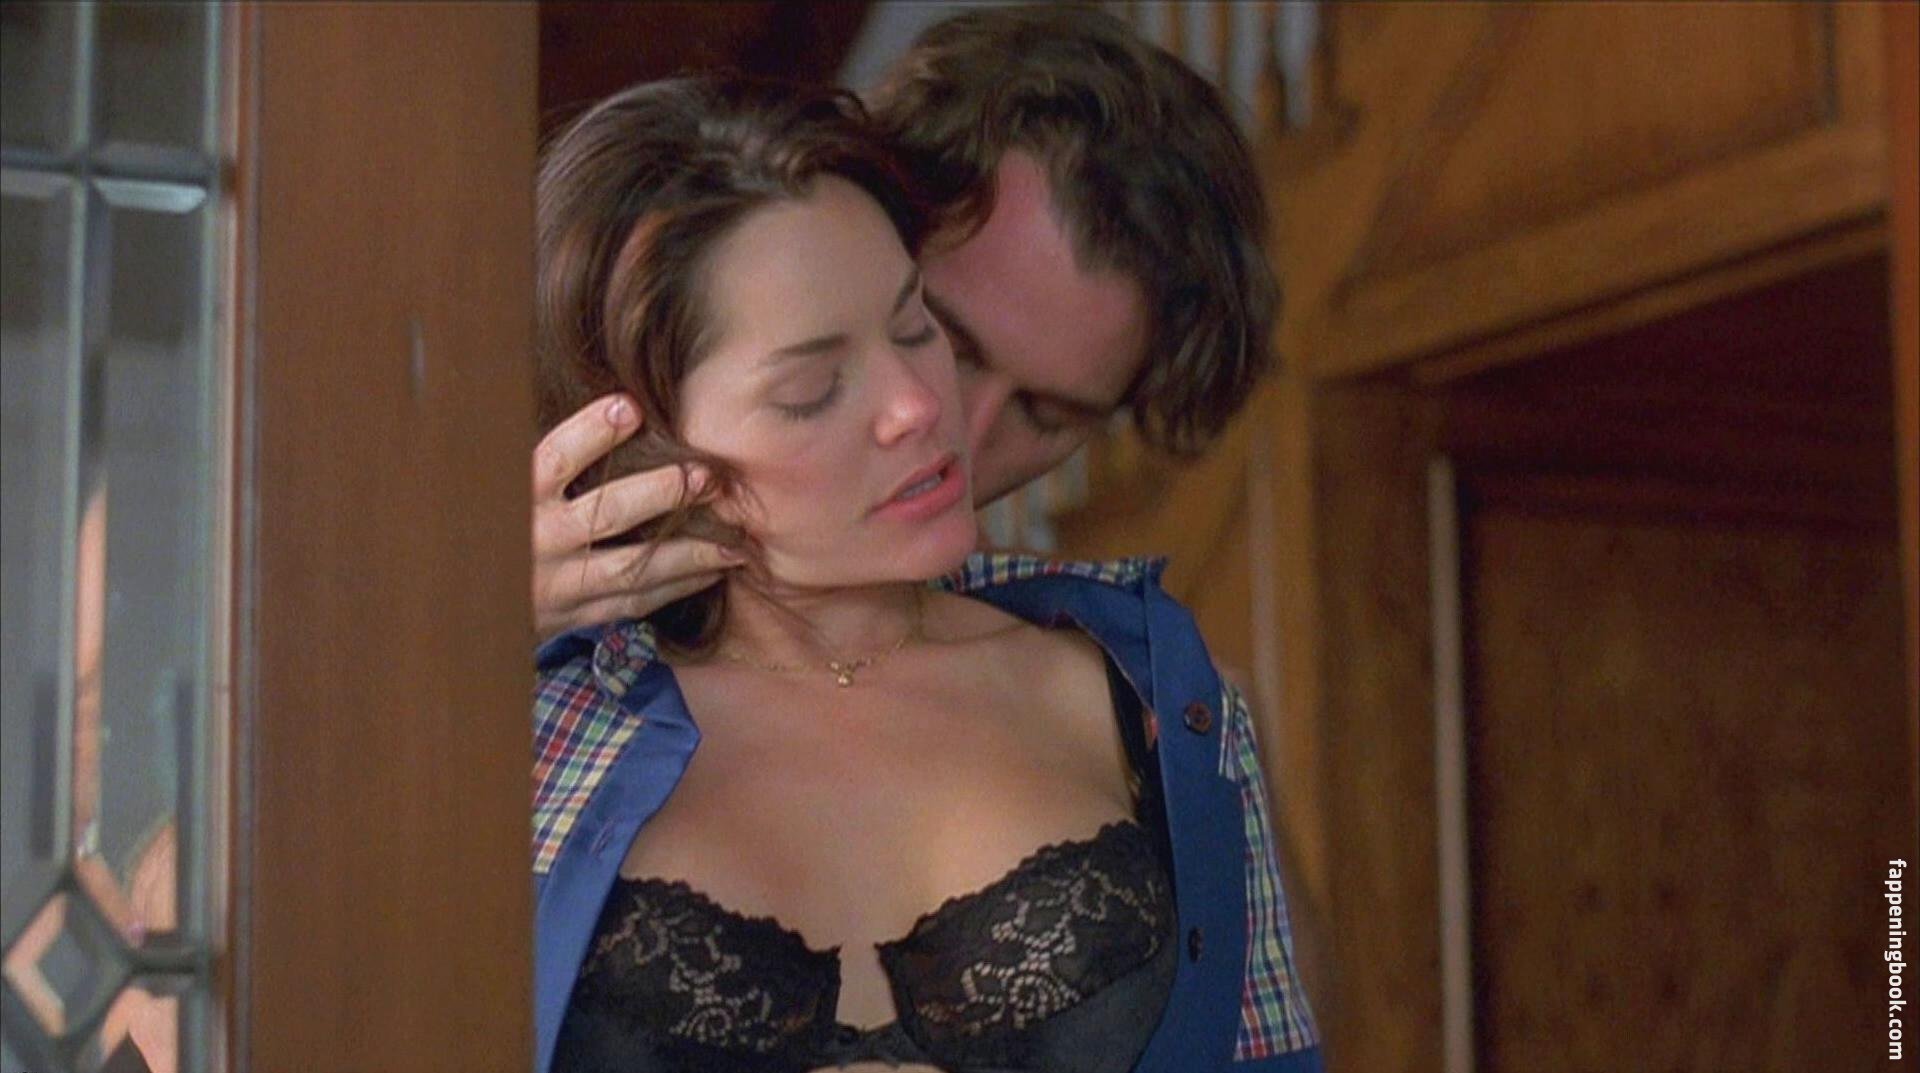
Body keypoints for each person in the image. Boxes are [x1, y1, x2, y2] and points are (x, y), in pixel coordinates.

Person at [530, 73, 1319, 1073]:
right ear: (642, 437)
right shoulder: (533, 719)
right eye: (814, 387)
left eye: (913, 328)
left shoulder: (1160, 698)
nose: (923, 404)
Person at [531, 4, 1276, 638]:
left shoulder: (1096, 674)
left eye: (1043, 416)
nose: (955, 429)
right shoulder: (522, 462)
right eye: (937, 334)